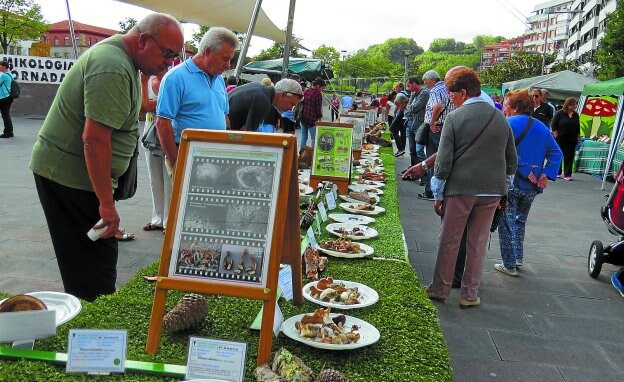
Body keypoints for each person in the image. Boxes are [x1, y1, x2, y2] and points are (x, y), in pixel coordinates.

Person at [29, 13, 184, 301]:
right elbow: (94, 140)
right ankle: (90, 330)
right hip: (71, 178)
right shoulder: (112, 66)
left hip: (76, 177)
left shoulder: (123, 62)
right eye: (168, 54)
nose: (170, 63)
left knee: (91, 264)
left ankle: (88, 319)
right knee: (93, 273)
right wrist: (106, 205)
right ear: (143, 41)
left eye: (174, 57)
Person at [425, 67, 517, 308]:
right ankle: (469, 294)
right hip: (492, 191)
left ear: (463, 92)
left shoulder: (455, 118)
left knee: (449, 239)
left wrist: (438, 193)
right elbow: (512, 160)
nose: (450, 100)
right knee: (477, 243)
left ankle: (440, 288)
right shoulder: (500, 117)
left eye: (451, 94)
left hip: (461, 188)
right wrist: (504, 189)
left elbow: (443, 163)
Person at [494, 89, 562, 277]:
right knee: (520, 221)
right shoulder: (541, 127)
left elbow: (508, 153)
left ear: (515, 107)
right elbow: (557, 153)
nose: (504, 108)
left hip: (512, 182)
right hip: (532, 188)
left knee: (506, 223)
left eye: (507, 104)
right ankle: (517, 257)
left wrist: (526, 171)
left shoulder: (507, 124)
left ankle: (509, 264)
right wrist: (545, 174)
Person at [156, 27, 239, 170]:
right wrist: (176, 164)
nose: (228, 65)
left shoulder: (219, 79)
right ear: (207, 52)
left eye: (230, 60)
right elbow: (163, 124)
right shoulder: (176, 78)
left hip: (216, 158)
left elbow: (224, 116)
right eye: (225, 59)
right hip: (186, 154)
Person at [141, 69, 171, 233]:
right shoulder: (146, 80)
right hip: (150, 130)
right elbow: (142, 106)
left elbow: (147, 104)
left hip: (167, 130)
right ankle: (157, 217)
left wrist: (152, 104)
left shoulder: (172, 79)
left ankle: (168, 219)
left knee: (169, 177)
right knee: (154, 177)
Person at [418, 69, 455, 201]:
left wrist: (432, 122)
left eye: (426, 82)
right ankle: (440, 190)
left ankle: (430, 191)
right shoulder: (448, 90)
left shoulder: (435, 91)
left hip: (436, 128)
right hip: (446, 126)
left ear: (433, 80)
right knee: (442, 158)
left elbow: (438, 106)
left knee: (432, 159)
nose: (425, 85)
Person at [228, 79, 303, 131]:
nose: (290, 108)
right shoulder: (263, 100)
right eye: (292, 104)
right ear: (283, 95)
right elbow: (248, 135)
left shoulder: (259, 87)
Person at [403, 77, 429, 168]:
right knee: (412, 150)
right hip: (411, 124)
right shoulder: (414, 94)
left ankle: (425, 174)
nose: (408, 88)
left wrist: (410, 107)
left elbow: (414, 107)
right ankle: (413, 170)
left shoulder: (424, 93)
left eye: (409, 86)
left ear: (414, 84)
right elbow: (408, 108)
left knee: (419, 151)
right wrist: (410, 107)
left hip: (419, 126)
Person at [551, 97, 580, 180]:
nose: (575, 106)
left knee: (569, 156)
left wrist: (578, 136)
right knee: (559, 154)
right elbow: (553, 124)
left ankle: (568, 174)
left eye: (575, 105)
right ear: (568, 105)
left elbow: (578, 126)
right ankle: (557, 172)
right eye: (573, 105)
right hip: (560, 137)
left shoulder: (576, 115)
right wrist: (556, 134)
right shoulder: (560, 113)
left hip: (572, 138)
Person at [299, 77, 325, 150]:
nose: (322, 89)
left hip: (303, 118)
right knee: (314, 139)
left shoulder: (306, 91)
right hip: (312, 120)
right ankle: (312, 155)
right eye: (322, 88)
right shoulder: (318, 94)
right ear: (318, 86)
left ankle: (301, 154)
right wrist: (320, 118)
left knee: (304, 137)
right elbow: (318, 108)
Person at [0, 61, 14, 138]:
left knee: (5, 115)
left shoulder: (4, 76)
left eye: (0, 66)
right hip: (8, 97)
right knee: (6, 115)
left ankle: (7, 133)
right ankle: (9, 132)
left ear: (4, 67)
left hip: (3, 97)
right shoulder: (10, 74)